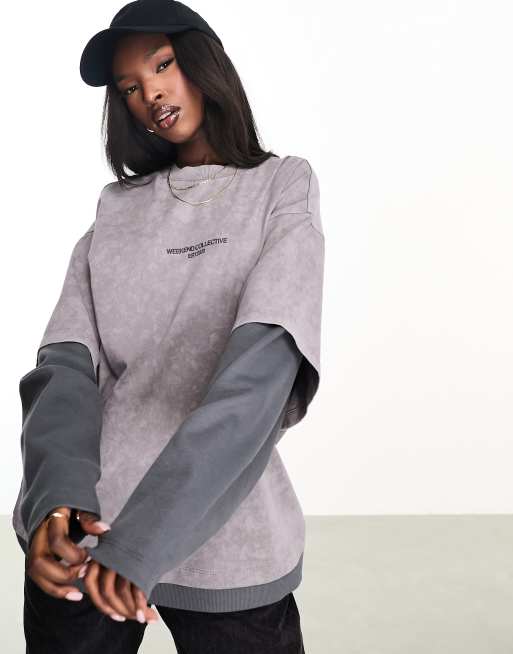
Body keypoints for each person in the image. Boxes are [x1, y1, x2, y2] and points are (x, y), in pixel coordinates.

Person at [12, 1, 325, 652]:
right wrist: (54, 500)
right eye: (129, 87)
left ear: (204, 64)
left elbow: (259, 377)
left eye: (162, 65)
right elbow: (64, 369)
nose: (149, 93)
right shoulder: (114, 211)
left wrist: (144, 540)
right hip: (92, 532)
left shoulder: (279, 186)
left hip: (230, 536)